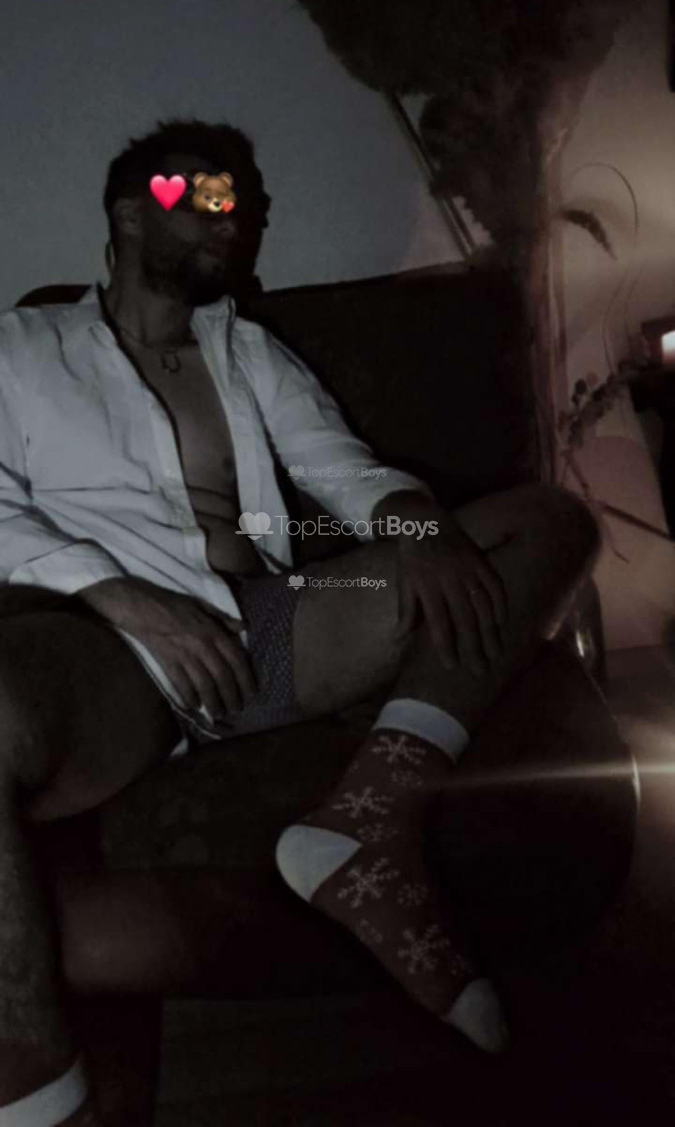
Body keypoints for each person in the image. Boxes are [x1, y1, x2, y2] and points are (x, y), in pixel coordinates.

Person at [0, 119, 600, 1125]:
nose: (229, 217)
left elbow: (340, 468)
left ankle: (369, 826)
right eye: (200, 194)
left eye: (238, 202)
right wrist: (114, 590)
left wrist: (418, 529)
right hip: (119, 658)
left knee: (546, 523)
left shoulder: (245, 349)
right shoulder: (23, 350)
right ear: (127, 214)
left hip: (275, 632)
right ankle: (38, 1094)